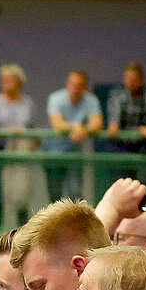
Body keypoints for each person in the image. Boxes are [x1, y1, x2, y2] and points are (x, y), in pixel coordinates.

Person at [0, 63, 39, 227]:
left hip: (22, 153)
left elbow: (33, 128)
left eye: (11, 80)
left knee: (21, 193)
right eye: (4, 80)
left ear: (19, 82)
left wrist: (30, 139)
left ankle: (21, 234)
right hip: (1, 151)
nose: (7, 83)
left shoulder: (28, 103)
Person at [44, 69, 103, 201]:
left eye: (79, 85)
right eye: (72, 84)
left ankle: (74, 222)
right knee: (54, 194)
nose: (75, 88)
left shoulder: (90, 100)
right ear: (67, 84)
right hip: (53, 152)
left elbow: (97, 123)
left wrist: (84, 130)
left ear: (85, 87)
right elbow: (57, 123)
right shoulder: (56, 98)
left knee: (75, 193)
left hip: (75, 153)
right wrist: (76, 126)